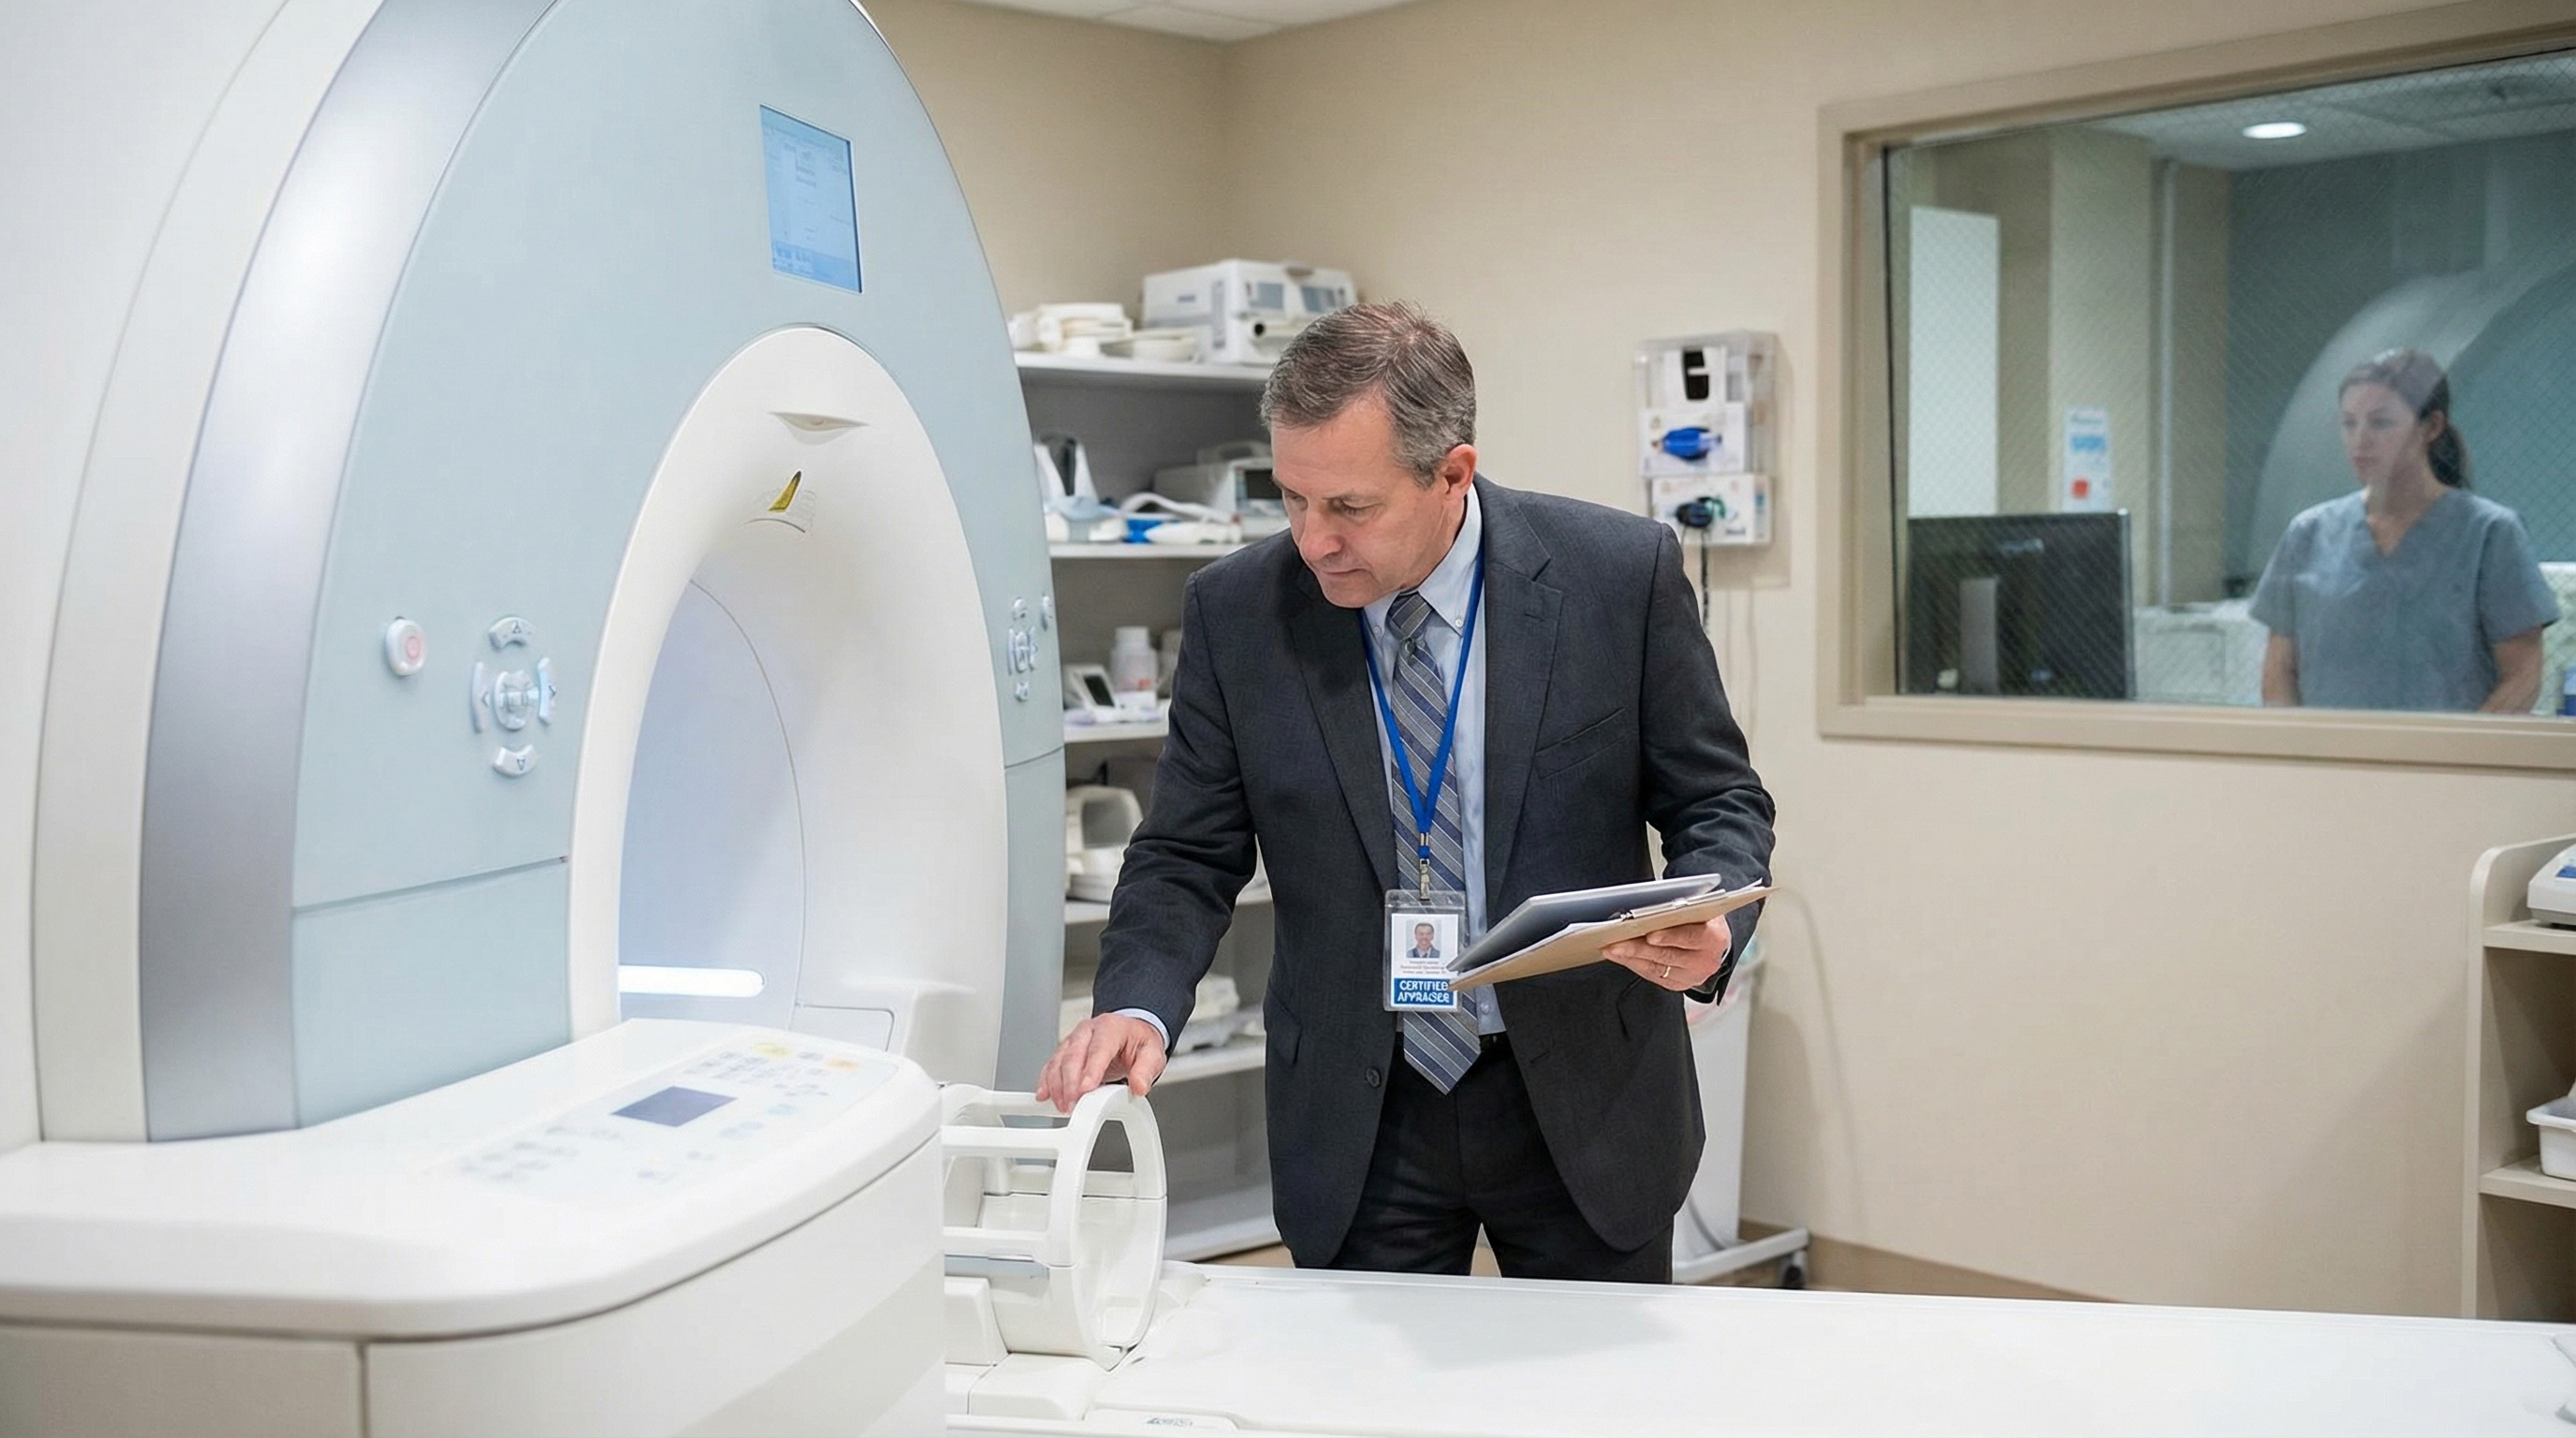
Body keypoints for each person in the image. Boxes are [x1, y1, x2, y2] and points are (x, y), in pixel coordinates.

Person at [1035, 301, 1775, 1284]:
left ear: (1451, 474)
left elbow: (1717, 799)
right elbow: (1186, 852)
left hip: (1582, 1097)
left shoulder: (1613, 577)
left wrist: (1710, 918)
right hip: (1361, 1108)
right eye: (1291, 499)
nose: (1312, 540)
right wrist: (1135, 1003)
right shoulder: (1238, 611)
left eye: (1348, 508)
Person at [2251, 348, 2556, 712]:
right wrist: (2297, 756)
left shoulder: (2489, 533)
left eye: (2380, 423)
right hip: (2332, 760)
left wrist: (2456, 758)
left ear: (2431, 426)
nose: (2360, 440)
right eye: (2349, 423)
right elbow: (2280, 670)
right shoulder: (2309, 533)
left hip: (2445, 763)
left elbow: (2522, 676)